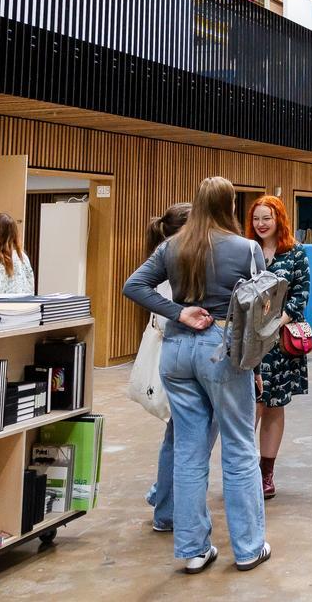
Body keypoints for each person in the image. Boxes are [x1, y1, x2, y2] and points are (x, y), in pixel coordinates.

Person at [123, 177, 272, 573]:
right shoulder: (247, 249)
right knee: (240, 448)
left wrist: (179, 312)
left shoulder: (172, 246)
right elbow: (258, 313)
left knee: (188, 450)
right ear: (231, 204)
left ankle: (192, 550)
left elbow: (133, 285)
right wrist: (254, 366)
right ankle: (248, 547)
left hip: (176, 353)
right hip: (221, 350)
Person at [247, 196, 309, 500]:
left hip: (280, 343)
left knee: (273, 405)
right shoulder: (246, 251)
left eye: (266, 218)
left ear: (279, 219)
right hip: (249, 343)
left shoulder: (295, 253)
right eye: (256, 218)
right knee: (251, 405)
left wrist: (274, 324)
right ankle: (243, 470)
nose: (261, 224)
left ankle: (266, 474)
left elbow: (300, 298)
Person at [142, 202, 190, 534]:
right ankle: (166, 509)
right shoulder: (173, 255)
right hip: (175, 349)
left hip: (171, 346)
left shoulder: (165, 252)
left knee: (176, 433)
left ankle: (163, 494)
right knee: (179, 435)